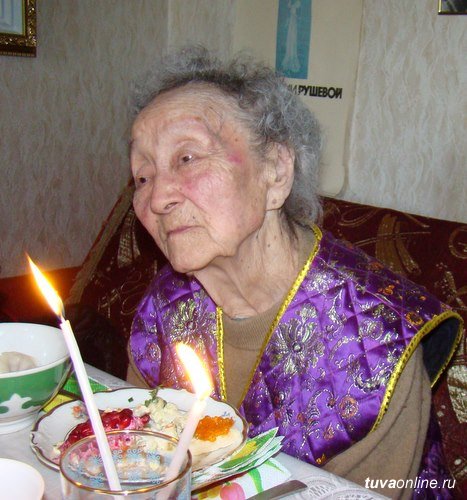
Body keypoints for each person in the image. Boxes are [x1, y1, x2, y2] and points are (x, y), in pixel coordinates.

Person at [126, 46, 462, 499]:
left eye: (187, 159)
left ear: (276, 172)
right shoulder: (163, 307)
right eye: (142, 176)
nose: (157, 197)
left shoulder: (377, 340)